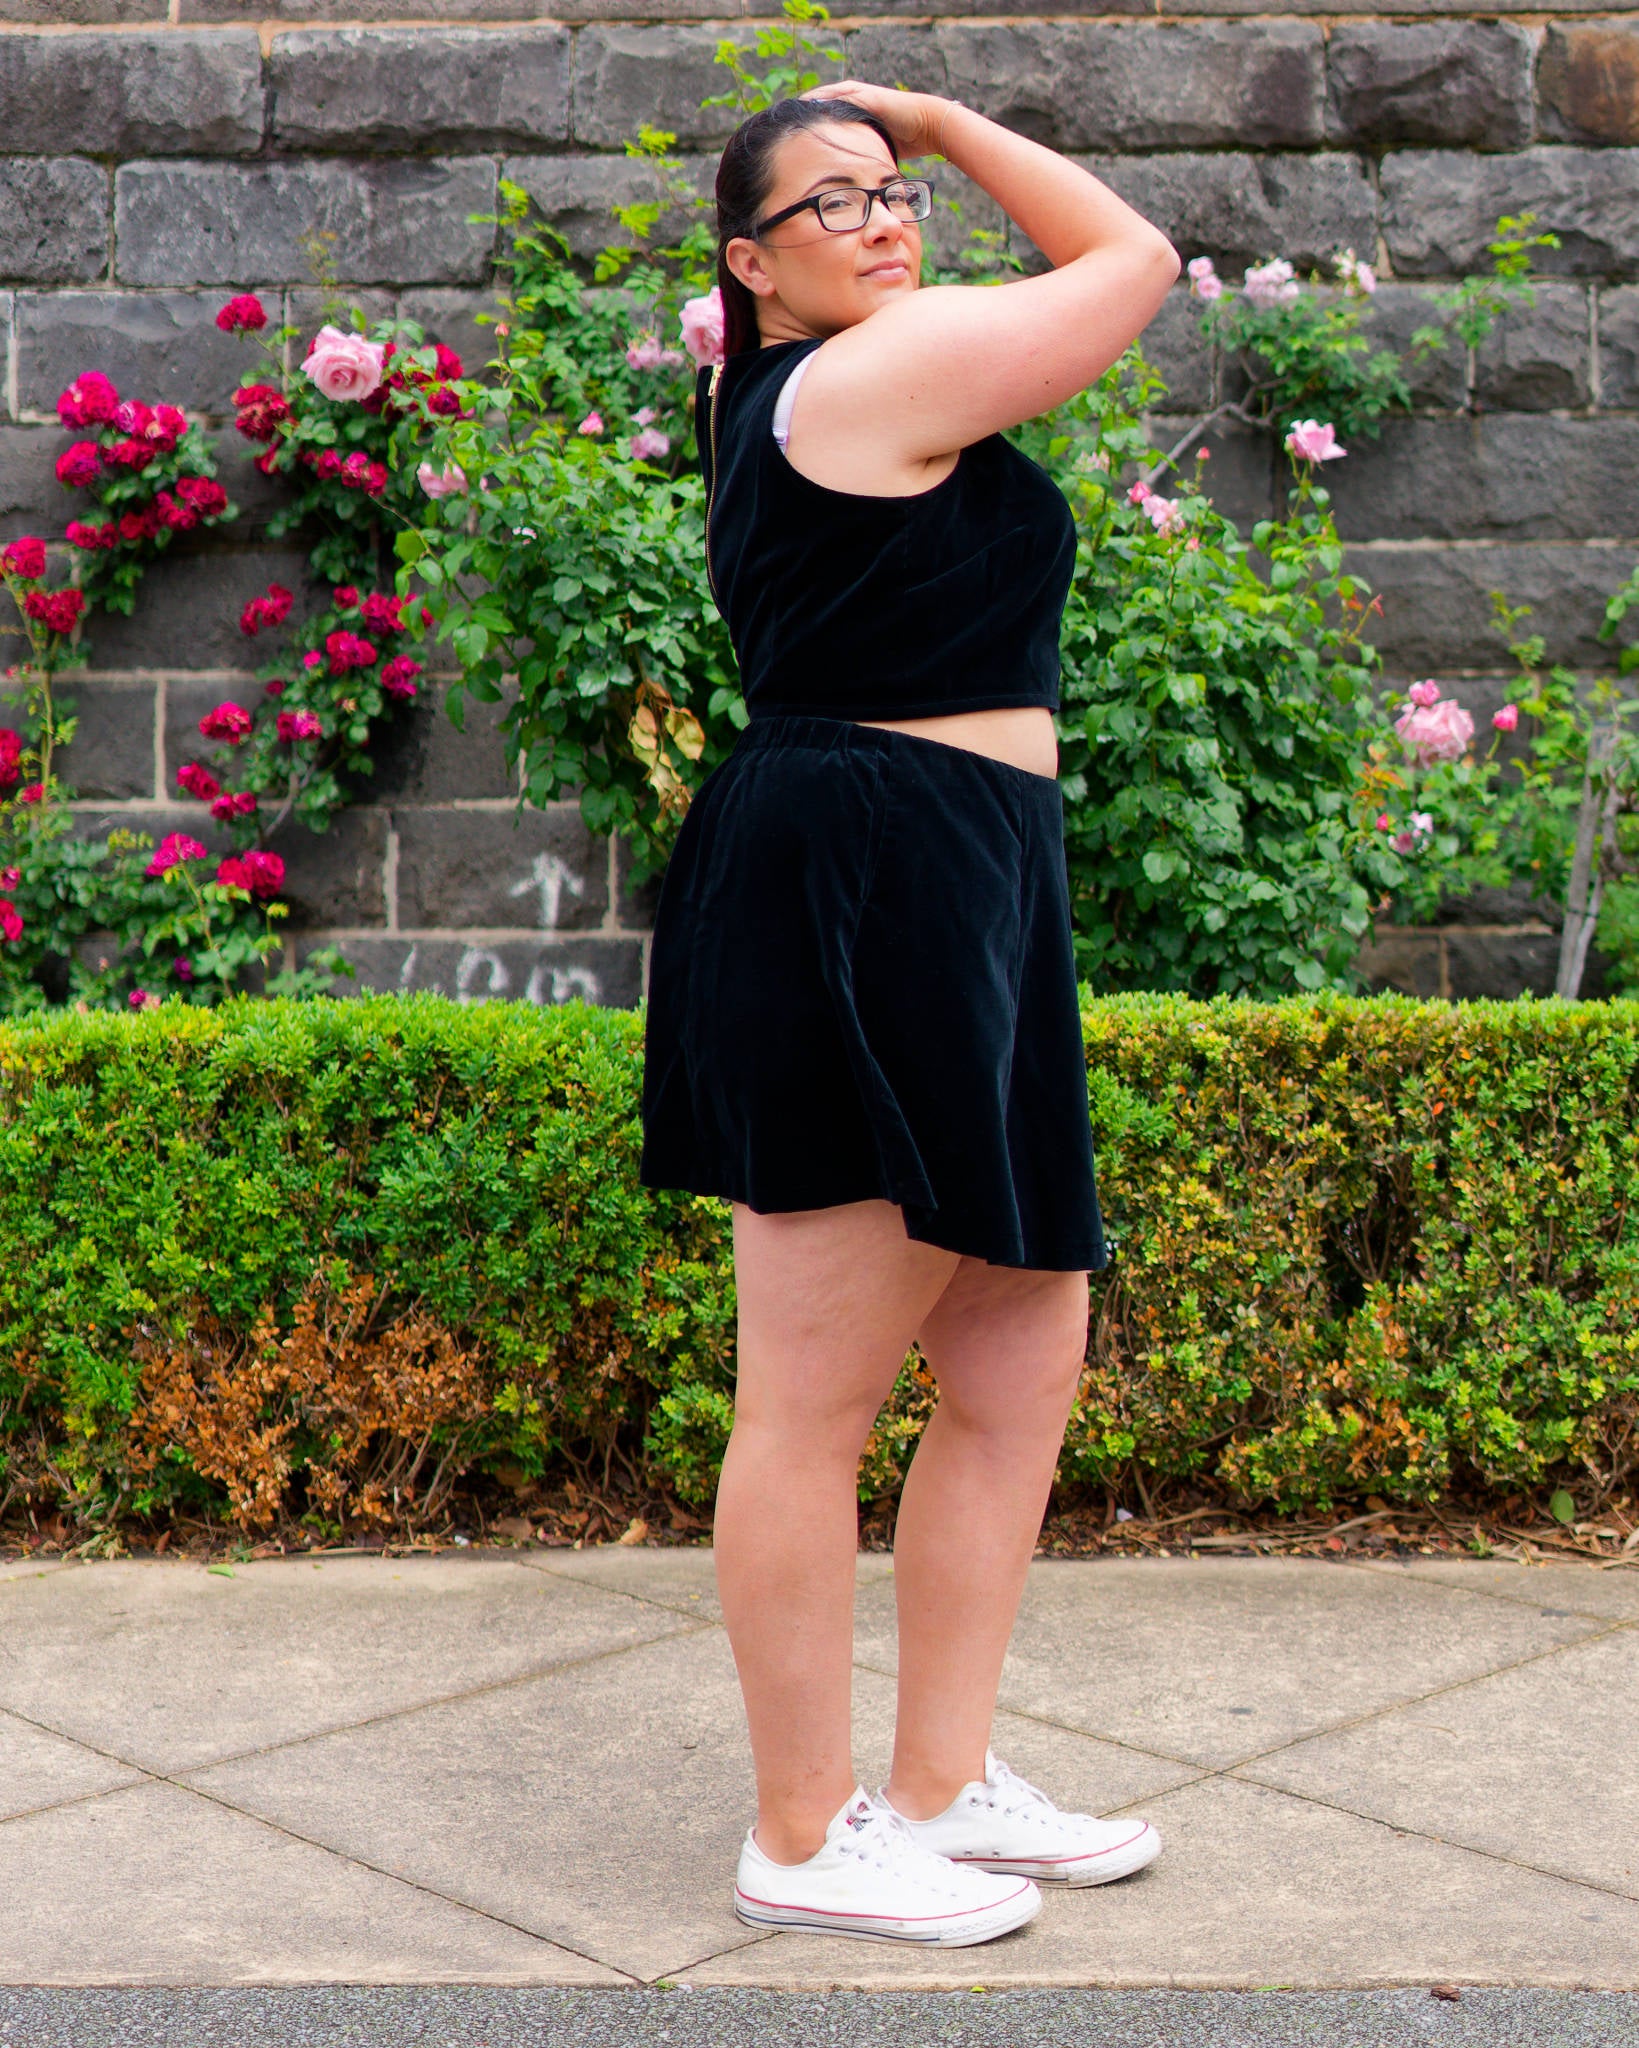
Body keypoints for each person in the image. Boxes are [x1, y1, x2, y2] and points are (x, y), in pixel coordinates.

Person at [639, 78, 1179, 1946]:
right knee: (811, 1397)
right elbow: (1133, 260)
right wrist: (950, 123)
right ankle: (803, 1835)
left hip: (962, 877)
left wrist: (919, 153)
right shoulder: (864, 376)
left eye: (896, 194)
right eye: (835, 205)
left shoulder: (829, 378)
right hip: (859, 881)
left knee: (1021, 1360)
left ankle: (943, 1789)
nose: (885, 222)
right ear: (749, 264)